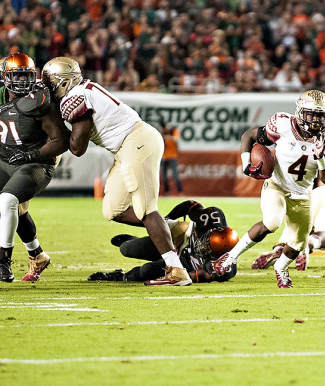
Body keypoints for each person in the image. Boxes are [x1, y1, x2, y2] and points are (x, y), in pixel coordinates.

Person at [41, 56, 191, 286]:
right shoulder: (81, 90)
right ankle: (175, 228)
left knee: (146, 208)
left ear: (64, 82)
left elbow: (77, 148)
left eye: (51, 83)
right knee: (113, 208)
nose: (49, 89)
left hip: (136, 141)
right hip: (126, 147)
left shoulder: (74, 97)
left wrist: (54, 123)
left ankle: (177, 270)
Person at [211, 89, 325, 288]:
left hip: (303, 194)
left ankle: (280, 268)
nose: (316, 121)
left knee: (298, 244)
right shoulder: (282, 125)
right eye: (311, 114)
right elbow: (249, 135)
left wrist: (321, 157)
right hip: (277, 185)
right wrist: (246, 163)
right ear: (300, 112)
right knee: (272, 222)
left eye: (320, 116)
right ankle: (230, 257)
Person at [0, 53, 69, 282]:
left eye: (25, 75)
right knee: (16, 209)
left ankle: (3, 263)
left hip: (36, 159)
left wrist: (31, 155)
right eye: (16, 74)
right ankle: (37, 254)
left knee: (9, 201)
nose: (20, 80)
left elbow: (60, 140)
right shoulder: (2, 94)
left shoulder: (38, 99)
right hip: (7, 157)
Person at [88, 200, 239, 283]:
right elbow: (190, 205)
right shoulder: (212, 218)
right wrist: (169, 218)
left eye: (207, 248)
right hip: (182, 235)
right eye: (205, 240)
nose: (201, 246)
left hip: (184, 261)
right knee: (126, 249)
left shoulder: (224, 267)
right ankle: (135, 239)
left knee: (146, 271)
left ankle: (118, 276)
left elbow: (198, 275)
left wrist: (176, 274)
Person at [159, 121, 183, 196]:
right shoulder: (162, 134)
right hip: (164, 157)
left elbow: (176, 139)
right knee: (164, 176)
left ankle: (180, 192)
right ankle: (167, 192)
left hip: (172, 156)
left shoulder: (173, 131)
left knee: (175, 174)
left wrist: (166, 137)